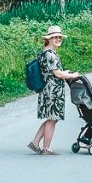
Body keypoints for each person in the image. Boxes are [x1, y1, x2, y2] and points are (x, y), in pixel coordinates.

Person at [28, 25, 80, 155]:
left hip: (50, 89)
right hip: (52, 91)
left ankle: (35, 142)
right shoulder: (50, 54)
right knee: (52, 118)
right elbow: (58, 74)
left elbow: (53, 71)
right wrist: (72, 75)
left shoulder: (47, 52)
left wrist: (64, 72)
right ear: (49, 39)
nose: (58, 39)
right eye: (55, 37)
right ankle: (46, 148)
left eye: (59, 37)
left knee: (52, 118)